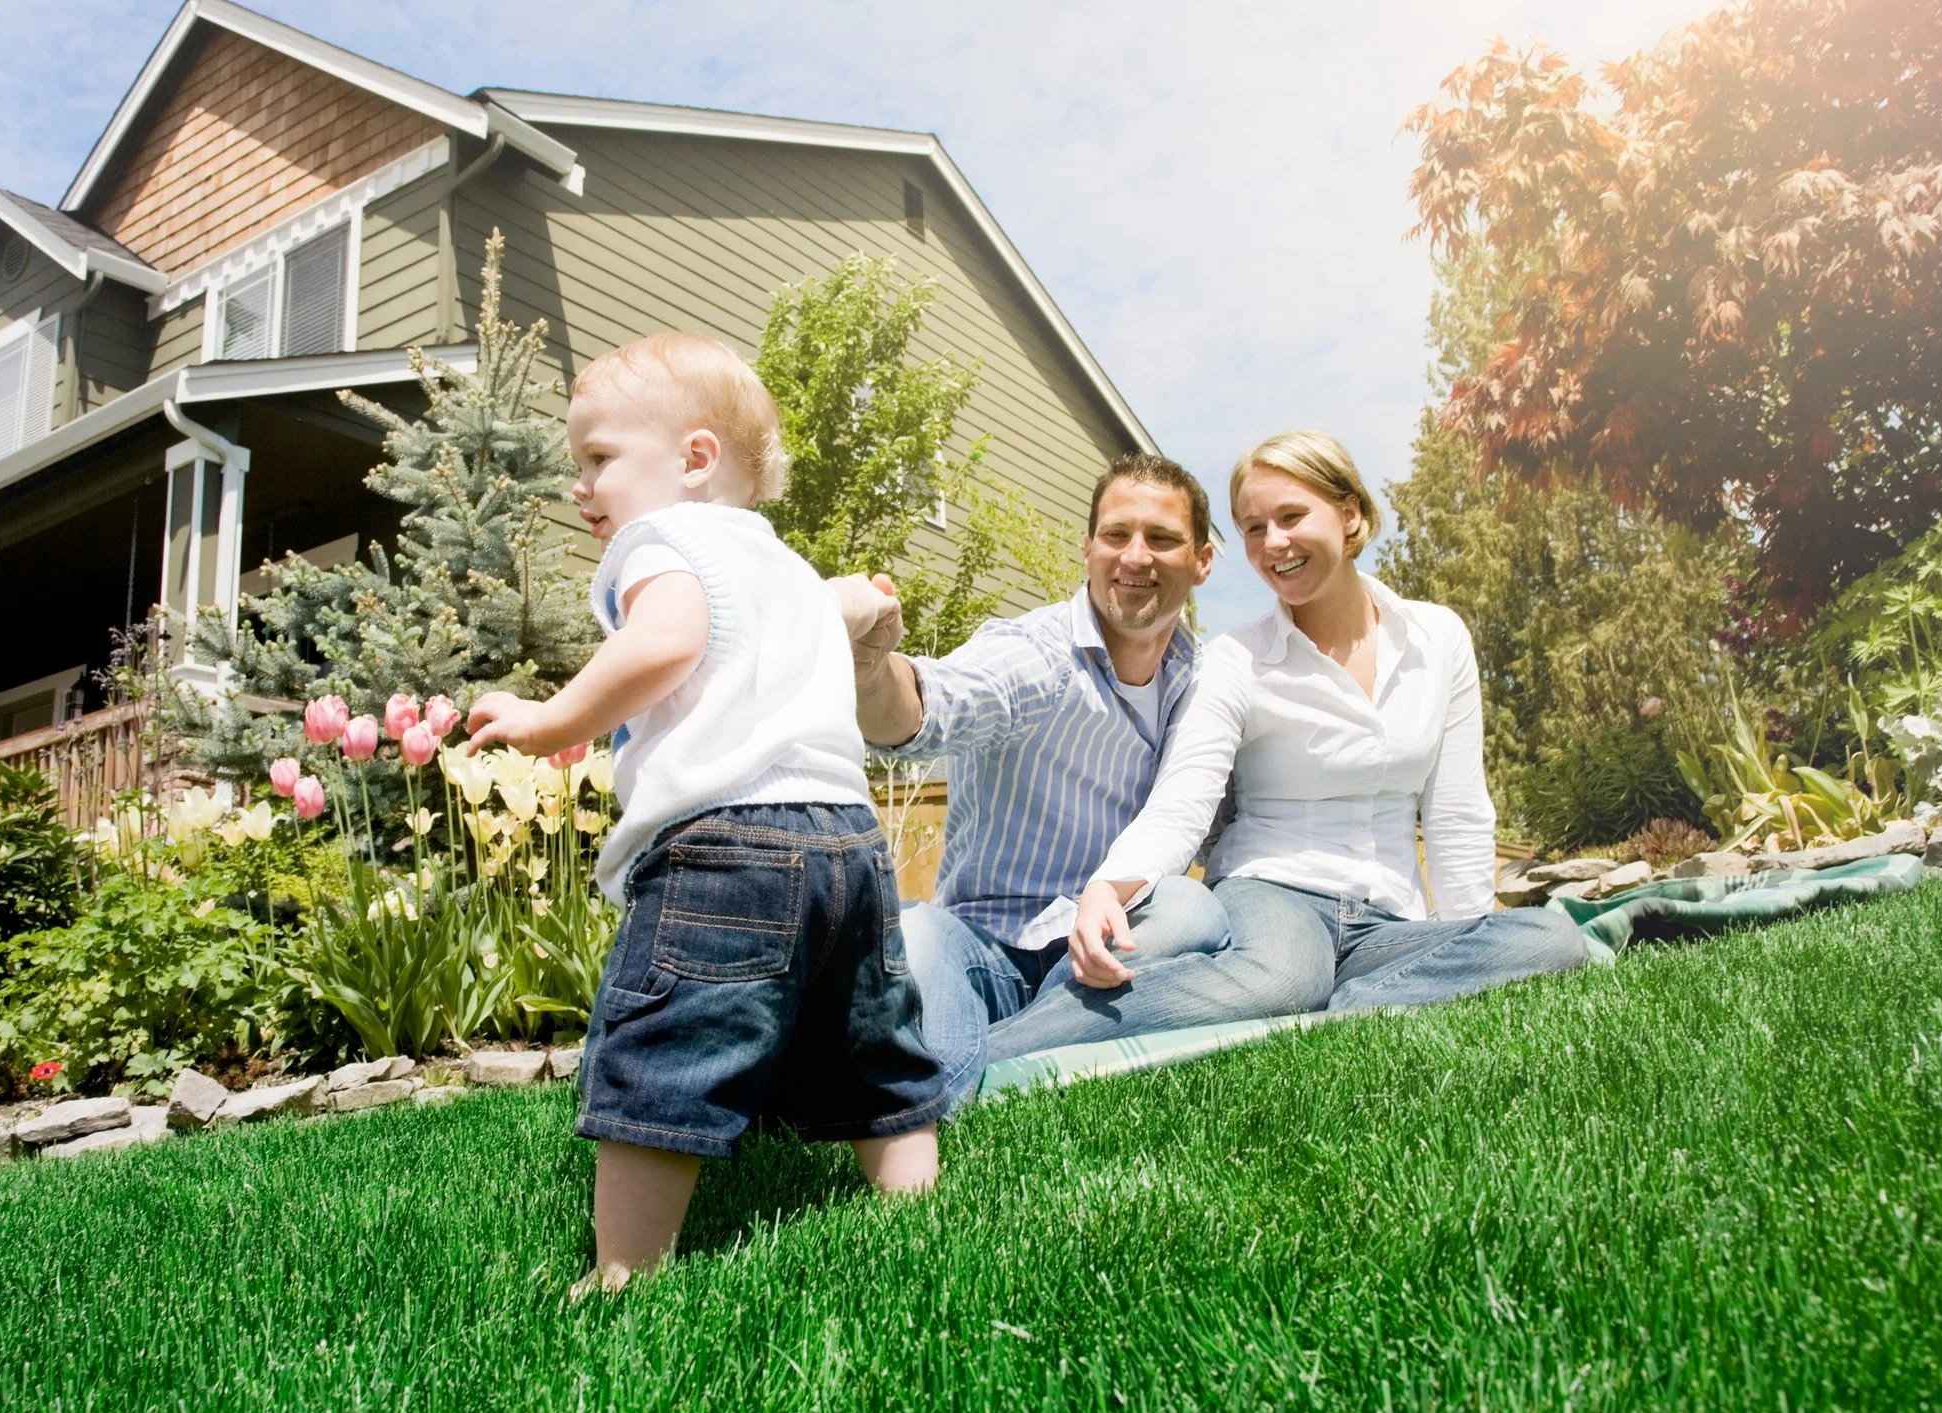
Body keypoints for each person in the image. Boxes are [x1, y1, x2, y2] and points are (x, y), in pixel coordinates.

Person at [465, 332, 947, 1295]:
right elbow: (831, 614)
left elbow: (668, 640)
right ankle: (916, 1221)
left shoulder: (661, 540)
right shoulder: (784, 565)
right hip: (848, 842)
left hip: (727, 843)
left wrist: (548, 717)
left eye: (599, 458)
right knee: (871, 1044)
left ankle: (625, 1273)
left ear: (693, 460)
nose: (581, 486)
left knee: (670, 1042)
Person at [989, 430, 1589, 1059]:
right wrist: (1109, 887)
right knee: (1287, 976)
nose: (1273, 543)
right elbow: (1183, 799)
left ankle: (1331, 1016)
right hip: (1272, 896)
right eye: (1253, 528)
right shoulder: (1237, 658)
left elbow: (1458, 812)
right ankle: (987, 1057)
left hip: (1388, 919)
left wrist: (1472, 934)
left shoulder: (1437, 639)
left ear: (1350, 512)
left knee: (1550, 939)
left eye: (1291, 517)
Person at [831, 455, 1327, 1097]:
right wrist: (871, 671)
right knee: (916, 930)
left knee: (1189, 909)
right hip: (984, 948)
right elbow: (934, 702)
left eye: (1162, 539)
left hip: (1111, 949)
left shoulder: (1205, 685)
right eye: (1117, 535)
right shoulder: (1037, 653)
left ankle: (963, 1081)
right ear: (1088, 547)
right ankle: (968, 1086)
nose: (1136, 556)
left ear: (1202, 560)